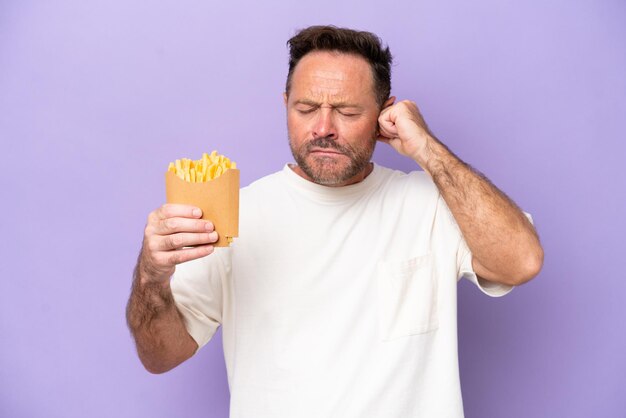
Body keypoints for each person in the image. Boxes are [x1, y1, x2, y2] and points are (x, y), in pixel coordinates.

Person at [126, 25, 543, 417]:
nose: (323, 128)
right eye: (306, 108)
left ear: (385, 114)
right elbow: (159, 356)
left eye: (346, 111)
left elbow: (521, 261)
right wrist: (151, 275)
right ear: (285, 103)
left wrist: (427, 148)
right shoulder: (238, 216)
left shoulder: (429, 205)